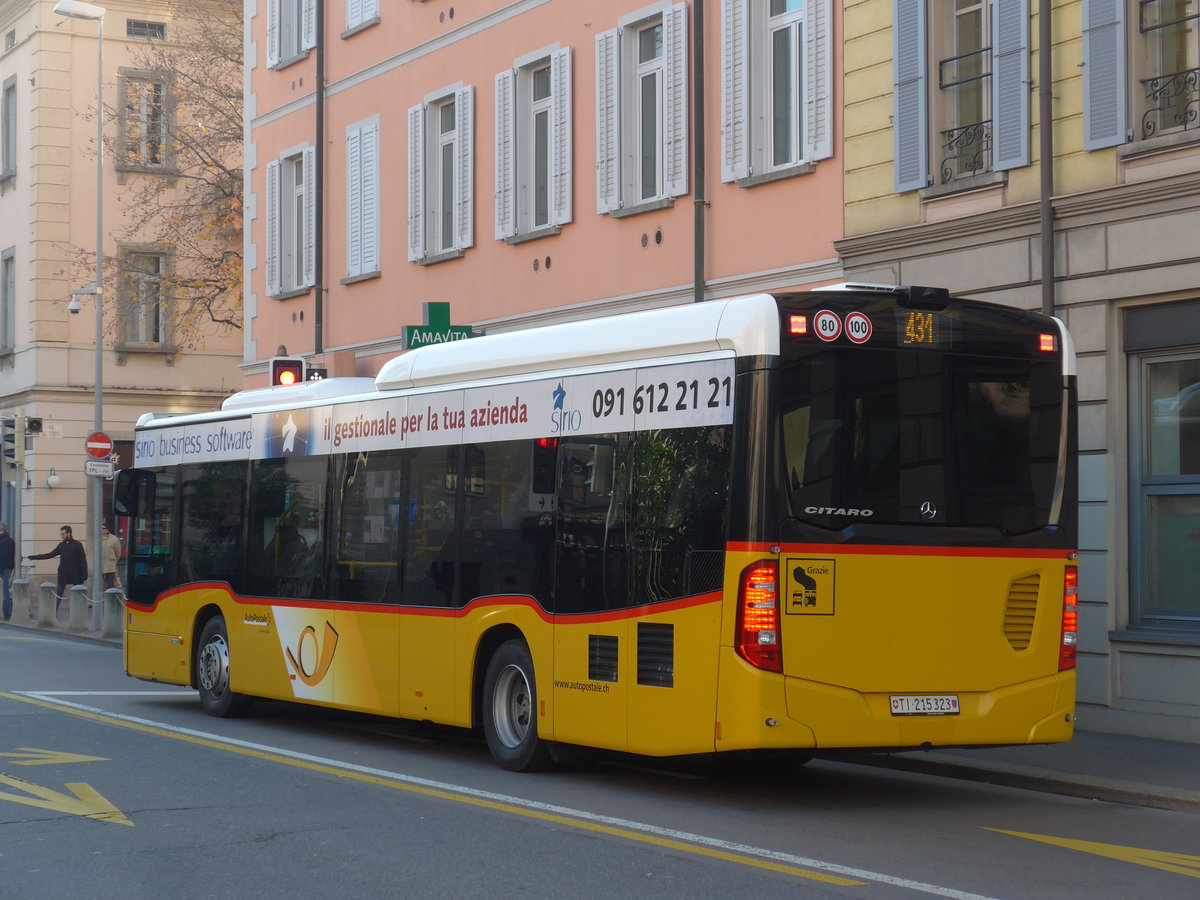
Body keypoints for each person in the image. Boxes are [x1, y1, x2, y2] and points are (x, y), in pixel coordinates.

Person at [28, 525, 88, 614]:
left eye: (63, 534)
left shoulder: (77, 545)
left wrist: (84, 574)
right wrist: (35, 557)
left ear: (69, 533)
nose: (61, 536)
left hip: (76, 574)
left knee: (78, 595)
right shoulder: (61, 545)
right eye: (61, 534)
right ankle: (53, 614)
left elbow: (83, 560)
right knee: (58, 594)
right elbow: (50, 555)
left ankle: (78, 615)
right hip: (63, 573)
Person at [100, 523, 123, 593]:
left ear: (107, 529)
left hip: (110, 567)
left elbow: (118, 553)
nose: (101, 530)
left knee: (110, 586)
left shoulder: (114, 539)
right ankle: (102, 602)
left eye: (103, 528)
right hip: (100, 567)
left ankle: (109, 602)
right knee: (101, 586)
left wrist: (113, 561)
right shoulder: (98, 538)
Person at [0, 522, 14, 621]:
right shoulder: (7, 540)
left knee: (5, 592)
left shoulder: (5, 541)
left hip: (4, 569)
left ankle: (6, 613)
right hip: (5, 568)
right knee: (5, 592)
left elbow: (3, 558)